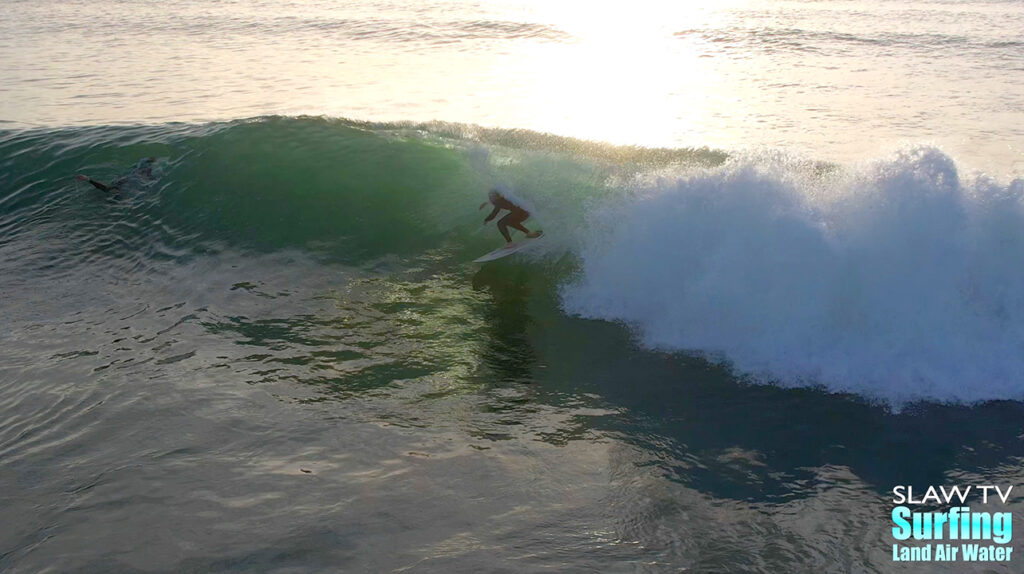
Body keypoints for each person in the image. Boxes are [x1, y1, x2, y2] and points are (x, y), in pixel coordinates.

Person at [76, 157, 157, 194]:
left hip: (129, 178)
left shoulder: (115, 187)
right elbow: (101, 187)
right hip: (131, 179)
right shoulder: (117, 189)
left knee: (140, 172)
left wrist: (88, 179)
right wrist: (88, 179)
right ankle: (148, 162)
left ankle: (148, 162)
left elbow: (101, 187)